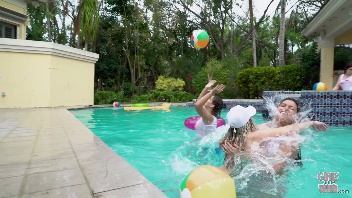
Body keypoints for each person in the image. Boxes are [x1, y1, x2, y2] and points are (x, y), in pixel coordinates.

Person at [218, 105, 328, 175]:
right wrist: (311, 123)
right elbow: (289, 129)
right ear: (249, 120)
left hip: (223, 173)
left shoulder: (229, 137)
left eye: (291, 107)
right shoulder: (255, 135)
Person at [221, 97, 304, 168]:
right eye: (283, 105)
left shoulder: (291, 141)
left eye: (291, 108)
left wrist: (242, 155)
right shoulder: (260, 127)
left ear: (296, 116)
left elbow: (275, 170)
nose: (285, 108)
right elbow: (239, 137)